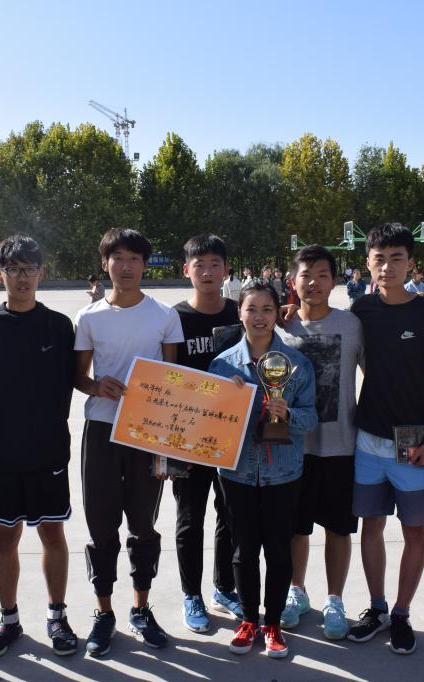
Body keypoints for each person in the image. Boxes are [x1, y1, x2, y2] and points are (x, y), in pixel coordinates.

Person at [0, 235, 78, 658]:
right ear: (0, 275)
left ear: (42, 273)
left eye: (29, 269)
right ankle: (8, 619)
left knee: (52, 533)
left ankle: (57, 616)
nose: (22, 277)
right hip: (2, 457)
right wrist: (2, 435)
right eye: (14, 269)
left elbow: (69, 385)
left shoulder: (59, 327)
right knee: (5, 536)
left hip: (48, 453)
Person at [73, 227, 184, 657]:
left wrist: (171, 448)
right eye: (117, 257)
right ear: (105, 264)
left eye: (134, 258)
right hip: (102, 429)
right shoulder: (89, 317)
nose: (126, 266)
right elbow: (79, 377)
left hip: (148, 433)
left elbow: (176, 383)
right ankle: (104, 613)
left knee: (143, 524)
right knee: (101, 526)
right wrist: (95, 385)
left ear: (145, 264)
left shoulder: (164, 316)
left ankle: (140, 608)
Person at [345, 225, 424, 656]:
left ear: (411, 263)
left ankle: (403, 613)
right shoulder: (360, 310)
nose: (387, 266)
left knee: (413, 530)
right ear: (368, 262)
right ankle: (378, 607)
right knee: (371, 525)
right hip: (369, 440)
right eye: (379, 258)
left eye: (396, 258)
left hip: (416, 444)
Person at [209, 281, 318, 659]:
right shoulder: (222, 365)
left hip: (283, 472)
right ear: (239, 313)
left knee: (278, 549)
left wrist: (287, 414)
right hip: (236, 472)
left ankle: (272, 624)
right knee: (242, 550)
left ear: (277, 313)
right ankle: (247, 620)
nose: (259, 317)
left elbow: (311, 418)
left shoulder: (297, 364)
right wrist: (228, 400)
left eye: (267, 309)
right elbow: (210, 424)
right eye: (251, 309)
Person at [275, 246, 364, 640]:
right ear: (292, 281)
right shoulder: (280, 327)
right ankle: (297, 592)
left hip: (341, 445)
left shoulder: (352, 324)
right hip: (292, 446)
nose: (314, 282)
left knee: (338, 528)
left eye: (323, 274)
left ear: (335, 280)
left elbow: (375, 376)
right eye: (306, 275)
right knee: (296, 528)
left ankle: (335, 599)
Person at [171, 235, 242, 633]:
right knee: (189, 517)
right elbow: (163, 376)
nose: (208, 272)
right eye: (199, 264)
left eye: (216, 264)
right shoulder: (174, 319)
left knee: (230, 513)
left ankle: (223, 587)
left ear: (226, 270)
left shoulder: (239, 312)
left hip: (233, 433)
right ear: (187, 270)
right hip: (187, 435)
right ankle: (191, 594)